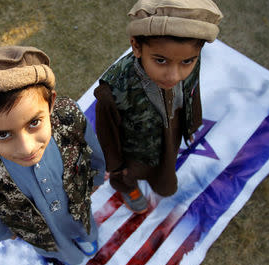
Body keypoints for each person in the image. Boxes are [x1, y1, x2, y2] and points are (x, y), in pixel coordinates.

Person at [0, 46, 106, 265]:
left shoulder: (69, 117)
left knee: (84, 225)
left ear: (50, 104)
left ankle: (86, 238)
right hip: (38, 230)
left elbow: (92, 149)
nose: (27, 148)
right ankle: (68, 256)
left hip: (77, 205)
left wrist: (96, 177)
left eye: (34, 123)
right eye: (3, 135)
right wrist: (2, 232)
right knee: (58, 248)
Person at [94, 0, 223, 214]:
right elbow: (108, 135)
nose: (174, 76)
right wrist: (115, 166)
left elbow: (192, 91)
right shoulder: (113, 91)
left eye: (187, 62)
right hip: (134, 148)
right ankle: (127, 187)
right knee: (130, 173)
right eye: (161, 61)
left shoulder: (192, 59)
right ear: (136, 46)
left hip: (170, 130)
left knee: (164, 165)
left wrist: (190, 124)